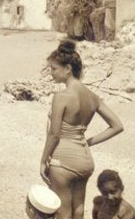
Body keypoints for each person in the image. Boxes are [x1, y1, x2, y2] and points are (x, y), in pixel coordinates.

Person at [42, 40, 125, 219]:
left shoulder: (62, 96)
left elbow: (54, 134)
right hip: (85, 160)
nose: (51, 74)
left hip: (63, 160)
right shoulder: (92, 96)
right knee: (78, 211)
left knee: (63, 213)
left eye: (54, 69)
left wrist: (43, 161)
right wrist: (87, 142)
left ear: (68, 69)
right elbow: (117, 126)